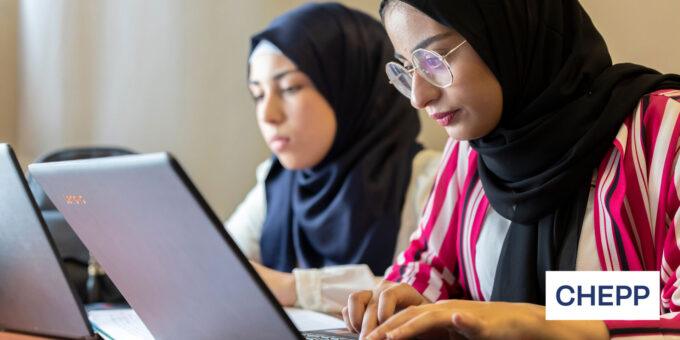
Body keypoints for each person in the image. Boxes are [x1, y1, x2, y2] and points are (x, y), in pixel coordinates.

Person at [342, 0, 680, 339]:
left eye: (434, 59)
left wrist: (538, 324)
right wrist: (406, 303)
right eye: (407, 67)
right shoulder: (471, 147)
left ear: (511, 33)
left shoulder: (665, 133)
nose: (419, 96)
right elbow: (429, 262)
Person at [225, 2, 441, 314]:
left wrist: (291, 287)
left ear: (352, 86)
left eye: (289, 87)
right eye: (258, 95)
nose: (268, 115)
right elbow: (220, 264)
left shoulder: (434, 182)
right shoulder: (277, 182)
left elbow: (437, 295)